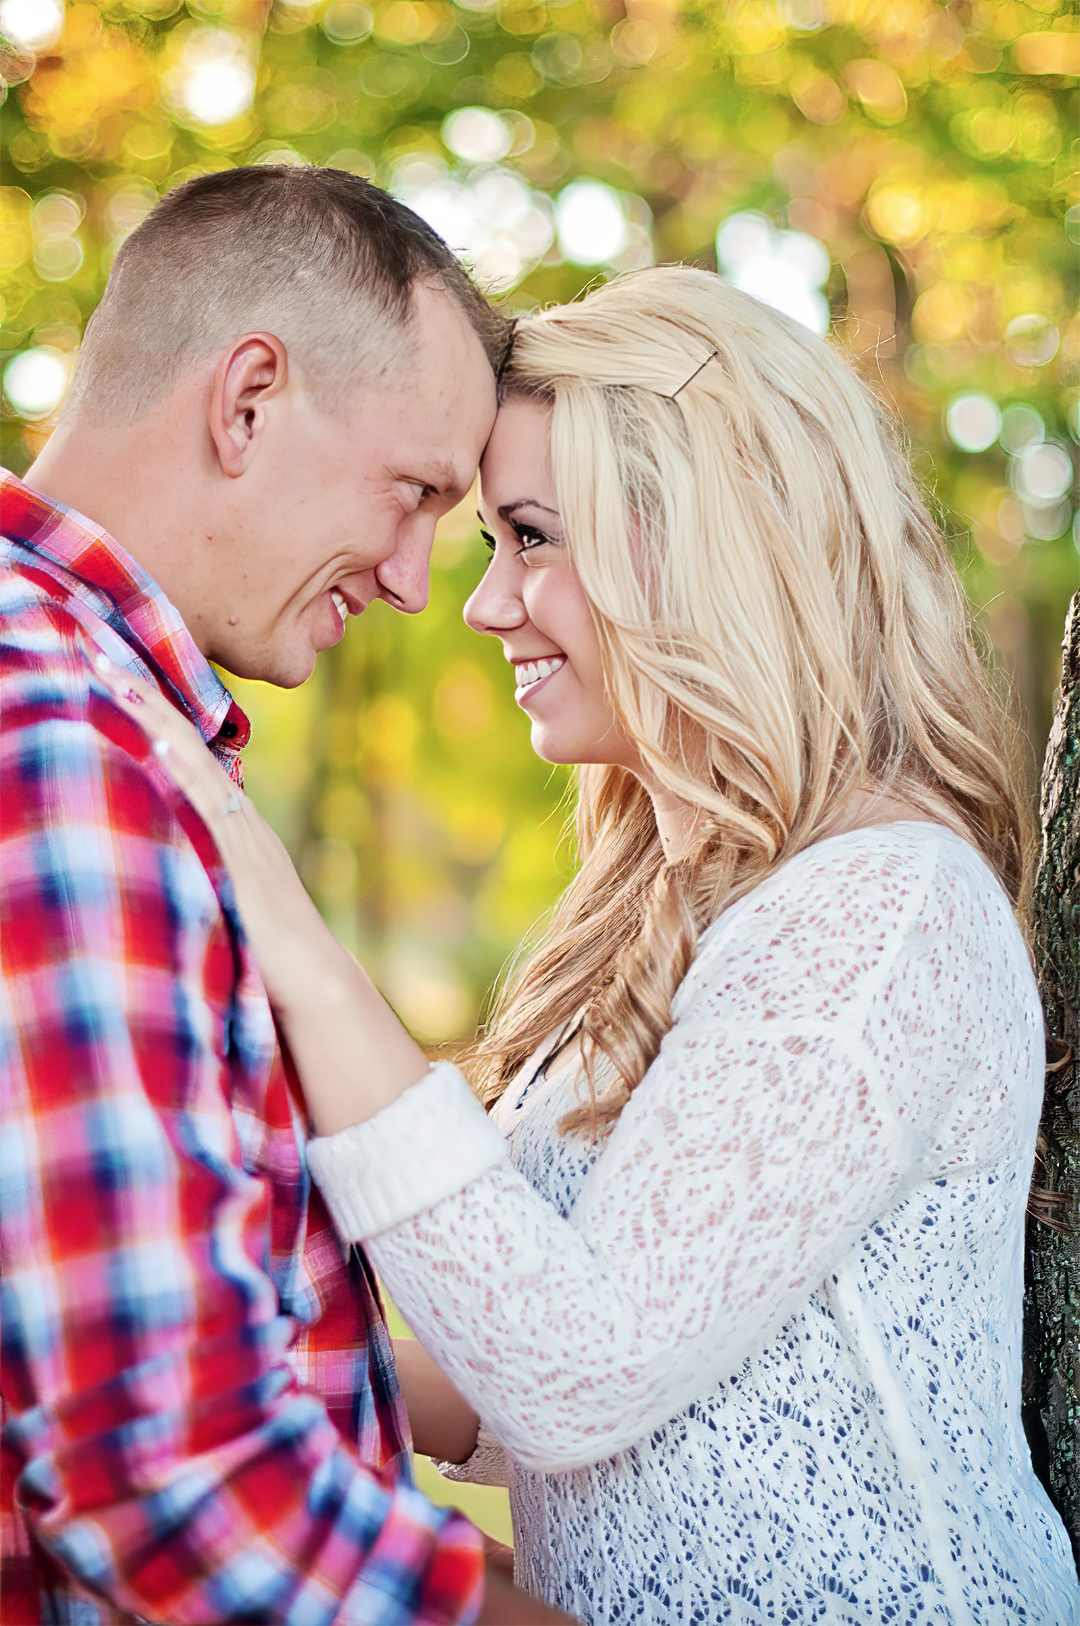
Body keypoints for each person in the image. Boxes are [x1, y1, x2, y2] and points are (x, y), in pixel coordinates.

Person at [99, 265, 1080, 1623]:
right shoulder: (680, 907)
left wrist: (275, 912)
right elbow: (567, 1381)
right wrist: (180, 1385)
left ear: (705, 545)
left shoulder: (877, 912)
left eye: (532, 538)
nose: (485, 602)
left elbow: (577, 1372)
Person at [0, 163, 574, 1626]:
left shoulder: (94, 709)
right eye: (416, 494)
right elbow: (174, 1494)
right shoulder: (66, 736)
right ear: (248, 401)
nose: (414, 580)